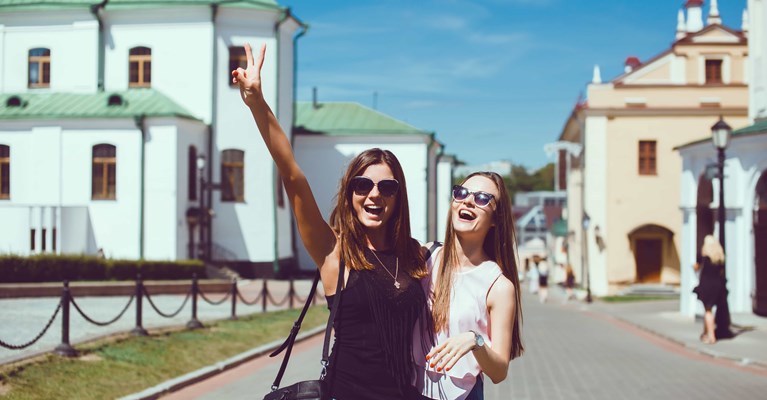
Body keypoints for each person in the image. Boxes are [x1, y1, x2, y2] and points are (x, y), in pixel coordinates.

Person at [233, 43, 431, 399]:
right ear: (349, 193)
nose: (374, 195)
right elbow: (293, 176)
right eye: (362, 185)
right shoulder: (333, 252)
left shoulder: (416, 255)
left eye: (386, 187)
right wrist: (256, 103)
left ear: (398, 197)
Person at [418, 172, 524, 400]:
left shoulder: (498, 285)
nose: (468, 201)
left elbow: (499, 372)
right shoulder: (426, 256)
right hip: (406, 389)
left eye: (483, 198)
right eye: (461, 193)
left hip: (462, 395)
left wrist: (474, 341)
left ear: (496, 218)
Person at [693, 235, 726, 344]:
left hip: (706, 285)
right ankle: (705, 334)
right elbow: (721, 272)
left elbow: (696, 267)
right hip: (717, 285)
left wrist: (695, 267)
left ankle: (711, 336)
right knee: (709, 310)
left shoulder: (703, 255)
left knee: (708, 311)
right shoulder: (720, 257)